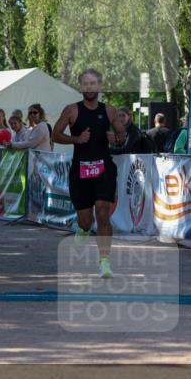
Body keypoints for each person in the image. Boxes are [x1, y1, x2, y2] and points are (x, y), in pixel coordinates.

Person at [51, 68, 127, 278]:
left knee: (103, 213)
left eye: (93, 83)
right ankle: (83, 229)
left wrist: (116, 139)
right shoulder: (71, 110)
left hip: (104, 169)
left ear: (99, 86)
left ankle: (104, 261)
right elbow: (55, 134)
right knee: (86, 220)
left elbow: (122, 134)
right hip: (80, 171)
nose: (89, 87)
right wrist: (76, 139)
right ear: (81, 87)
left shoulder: (109, 110)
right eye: (85, 84)